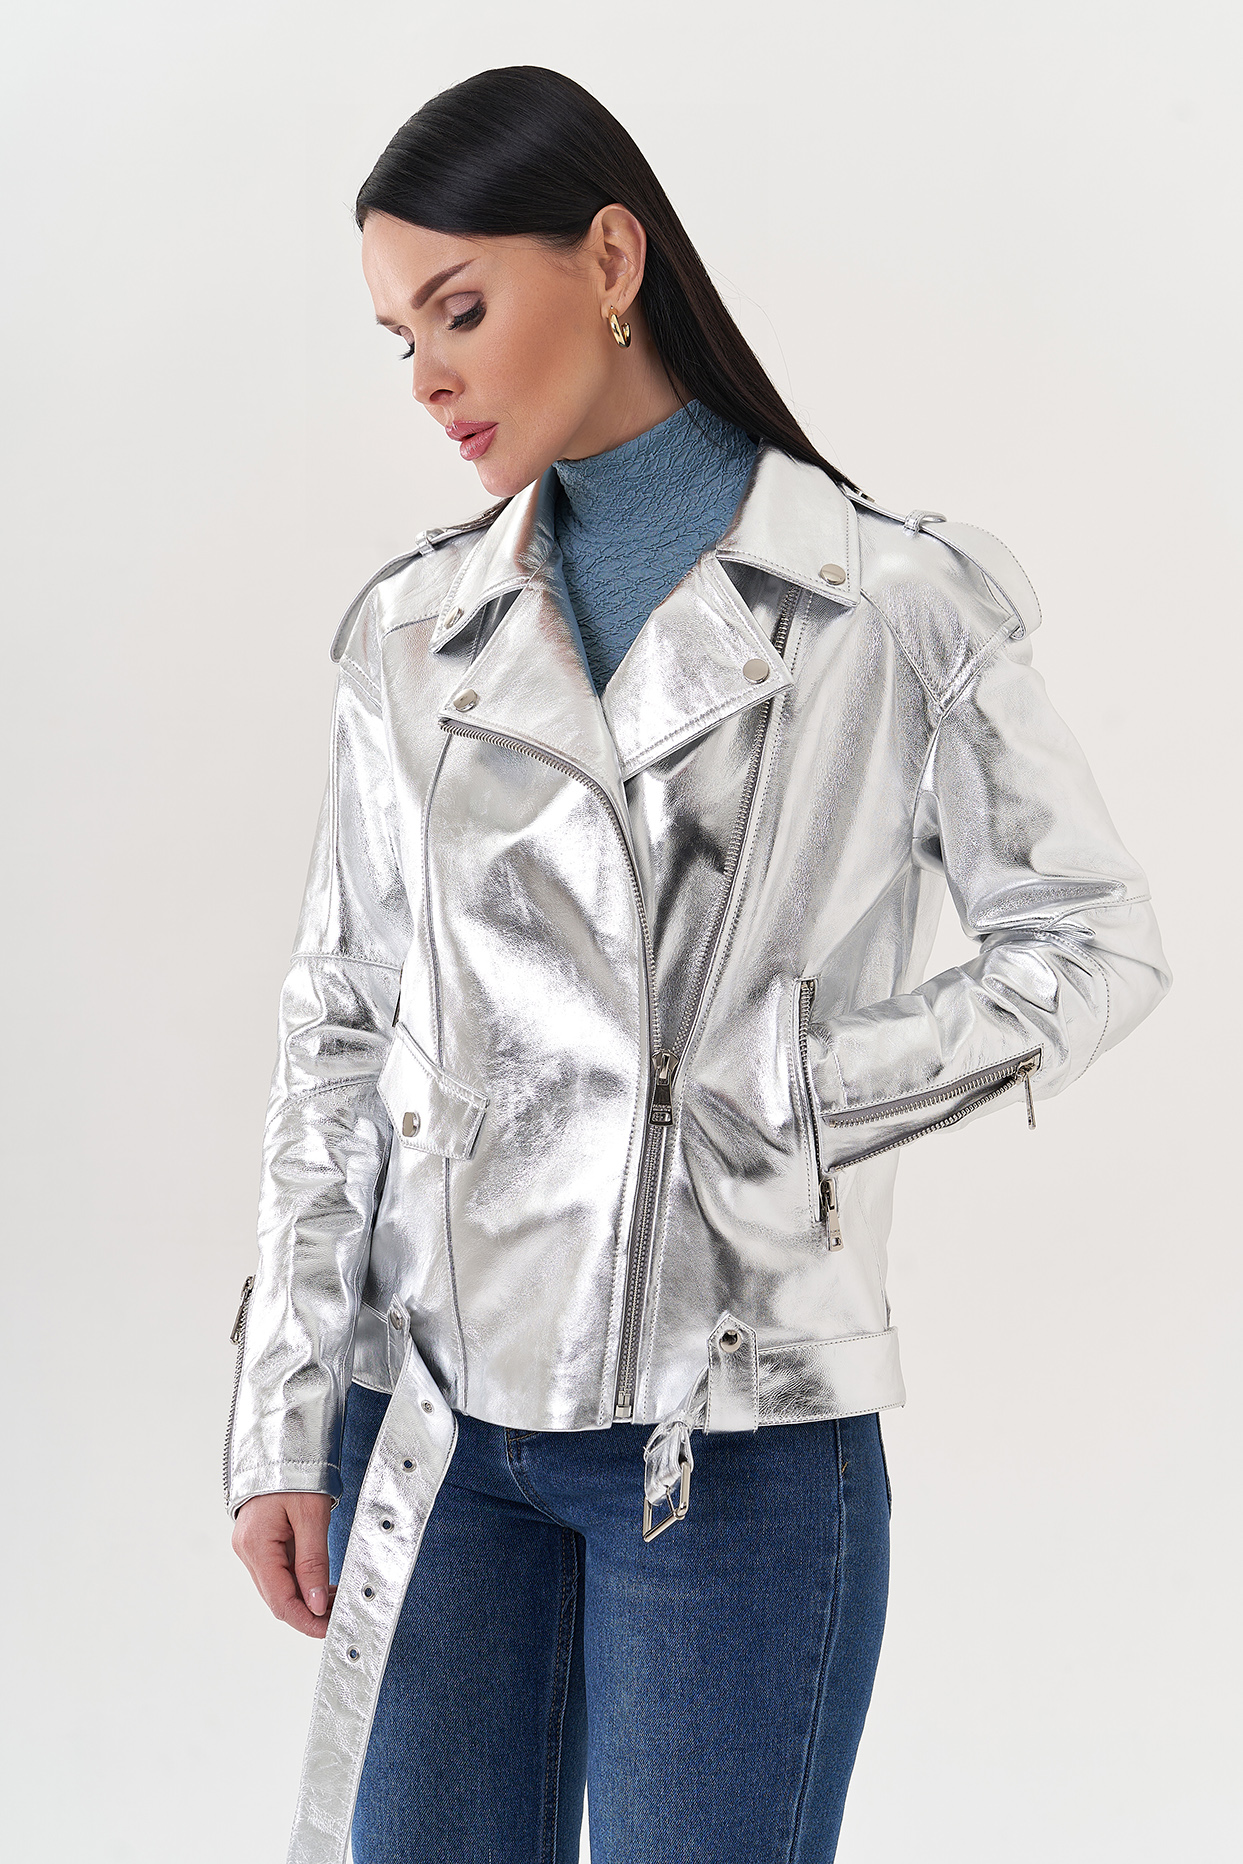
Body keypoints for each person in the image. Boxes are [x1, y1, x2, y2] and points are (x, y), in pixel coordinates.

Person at [225, 64, 1171, 1864]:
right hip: (427, 1426)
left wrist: (794, 1092)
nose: (424, 376)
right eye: (399, 335)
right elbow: (341, 1020)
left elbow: (1091, 936)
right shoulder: (411, 632)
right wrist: (283, 1410)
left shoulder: (886, 602)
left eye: (459, 310)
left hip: (728, 1446)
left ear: (610, 257)